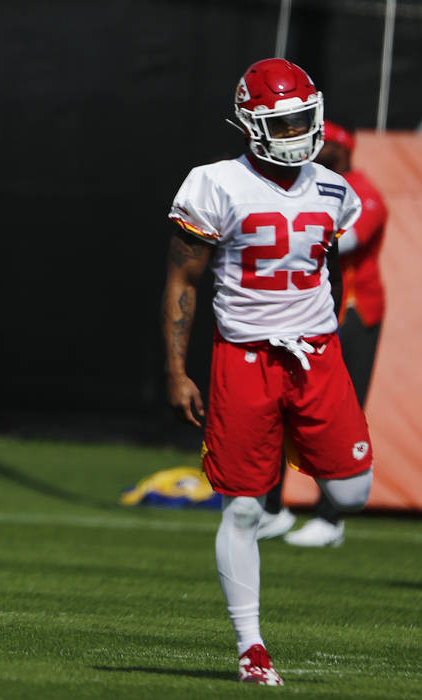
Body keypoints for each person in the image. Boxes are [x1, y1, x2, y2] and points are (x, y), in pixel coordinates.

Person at [161, 59, 374, 685]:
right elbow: (183, 279)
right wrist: (177, 370)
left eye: (303, 119)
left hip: (317, 356)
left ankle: (296, 460)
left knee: (353, 492)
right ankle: (251, 645)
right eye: (282, 123)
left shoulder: (337, 191)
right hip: (245, 357)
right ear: (251, 124)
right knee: (244, 509)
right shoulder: (215, 183)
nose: (296, 133)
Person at [257, 120, 388, 546]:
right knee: (281, 405)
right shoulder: (306, 189)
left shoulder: (361, 190)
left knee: (338, 413)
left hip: (353, 316)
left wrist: (293, 230)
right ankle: (270, 508)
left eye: (322, 143)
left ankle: (330, 520)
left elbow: (343, 242)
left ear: (342, 148)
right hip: (304, 316)